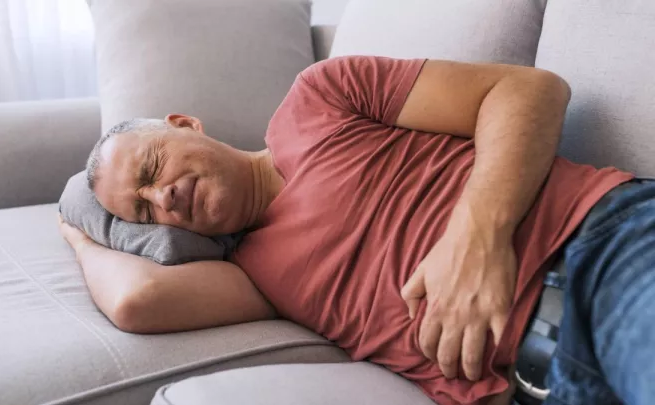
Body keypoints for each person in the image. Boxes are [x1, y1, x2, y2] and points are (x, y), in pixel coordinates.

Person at [58, 56, 655, 405]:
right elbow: (137, 301)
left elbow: (529, 89)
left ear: (185, 123)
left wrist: (478, 238)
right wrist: (79, 233)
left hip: (600, 256)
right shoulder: (253, 274)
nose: (163, 198)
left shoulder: (320, 96)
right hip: (545, 386)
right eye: (143, 212)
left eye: (153, 167)